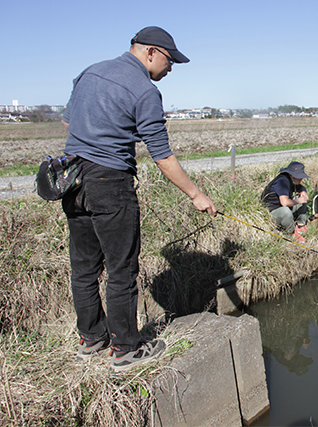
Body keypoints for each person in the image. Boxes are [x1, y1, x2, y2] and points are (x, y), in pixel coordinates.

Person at [61, 26, 216, 372]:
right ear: (150, 52)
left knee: (84, 268)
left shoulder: (89, 72)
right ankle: (126, 350)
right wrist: (196, 195)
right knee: (122, 269)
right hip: (109, 182)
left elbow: (69, 125)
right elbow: (162, 157)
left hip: (71, 179)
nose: (171, 67)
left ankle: (91, 340)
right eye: (169, 59)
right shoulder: (144, 90)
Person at [260, 161, 309, 242]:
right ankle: (291, 232)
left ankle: (300, 225)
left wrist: (303, 193)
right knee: (286, 211)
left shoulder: (291, 180)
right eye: (299, 177)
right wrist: (299, 200)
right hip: (270, 213)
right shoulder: (282, 181)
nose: (301, 179)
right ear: (291, 175)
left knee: (300, 198)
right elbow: (284, 202)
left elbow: (302, 188)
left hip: (280, 209)